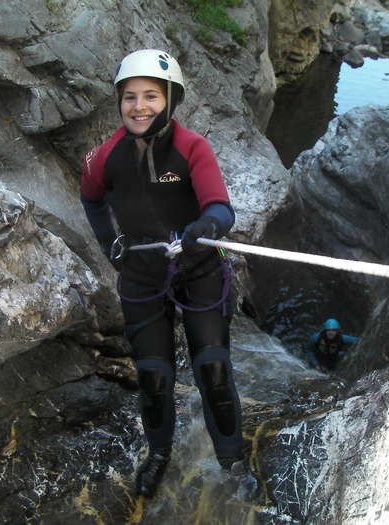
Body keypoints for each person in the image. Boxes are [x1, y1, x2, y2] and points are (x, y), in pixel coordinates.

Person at [79, 49, 244, 497]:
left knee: (212, 368)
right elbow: (91, 199)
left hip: (199, 270)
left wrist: (206, 226)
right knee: (153, 376)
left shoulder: (193, 147)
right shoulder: (103, 158)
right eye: (130, 97)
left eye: (151, 96)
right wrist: (106, 241)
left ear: (170, 100)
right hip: (141, 277)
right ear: (119, 102)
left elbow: (219, 206)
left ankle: (232, 459)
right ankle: (158, 456)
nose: (139, 106)